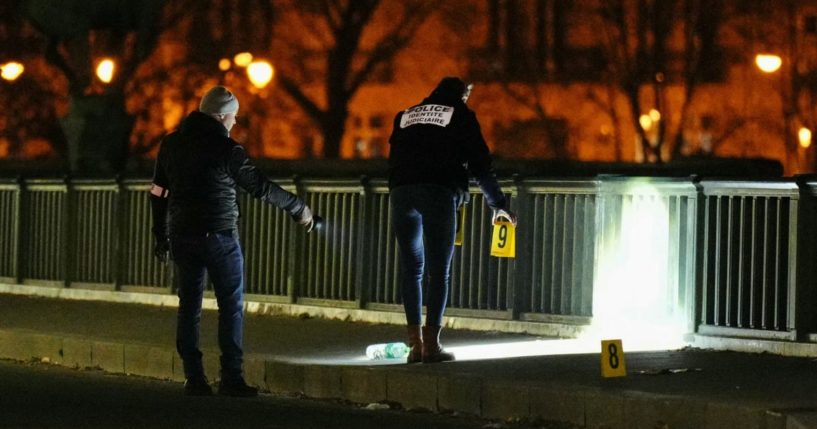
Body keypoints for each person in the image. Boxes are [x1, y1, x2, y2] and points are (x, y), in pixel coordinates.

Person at [150, 86, 315, 396]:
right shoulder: (227, 150)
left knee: (189, 307)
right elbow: (261, 187)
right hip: (220, 236)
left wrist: (160, 233)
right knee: (231, 307)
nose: (234, 124)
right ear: (222, 116)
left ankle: (194, 377)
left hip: (182, 235)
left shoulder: (171, 144)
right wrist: (298, 208)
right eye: (234, 118)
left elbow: (159, 191)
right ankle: (231, 377)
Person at [388, 77, 517, 364]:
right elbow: (481, 164)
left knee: (412, 270)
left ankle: (414, 347)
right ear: (463, 94)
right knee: (438, 272)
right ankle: (432, 346)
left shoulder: (406, 115)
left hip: (401, 193)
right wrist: (498, 204)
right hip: (437, 192)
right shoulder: (460, 115)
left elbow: (394, 156)